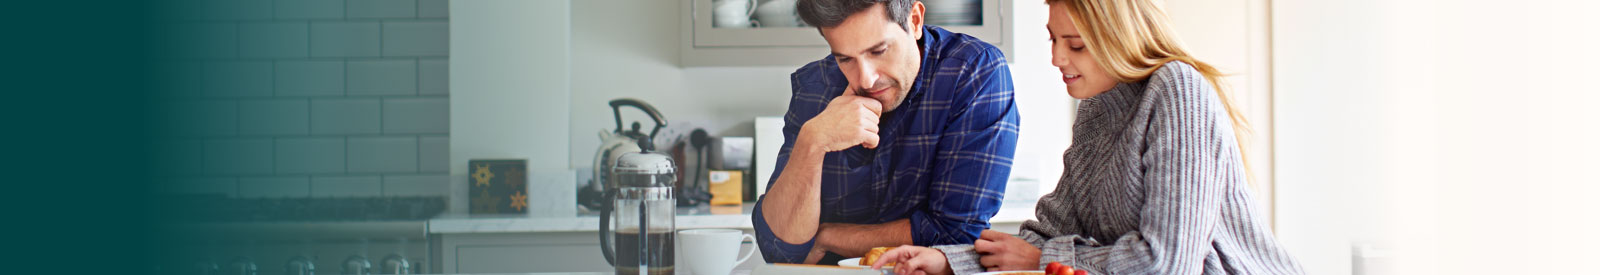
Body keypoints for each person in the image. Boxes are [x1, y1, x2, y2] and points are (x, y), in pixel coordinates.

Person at [869, 0, 1304, 274]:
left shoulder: (1177, 90)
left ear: (1119, 37)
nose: (1057, 57)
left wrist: (1044, 259)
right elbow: (1050, 230)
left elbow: (1168, 262)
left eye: (1075, 44)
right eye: (1054, 39)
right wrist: (948, 260)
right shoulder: (1096, 108)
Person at [750, 0, 1021, 265]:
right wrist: (812, 142)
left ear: (914, 20)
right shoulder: (815, 87)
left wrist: (827, 237)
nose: (865, 79)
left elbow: (956, 234)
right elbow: (779, 248)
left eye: (878, 51)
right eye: (845, 59)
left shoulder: (972, 72)